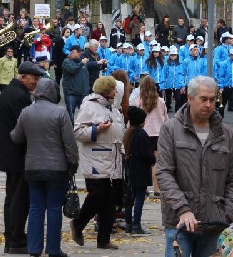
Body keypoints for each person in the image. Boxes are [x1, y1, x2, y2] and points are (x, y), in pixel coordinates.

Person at [156, 75, 233, 257]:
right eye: (203, 99)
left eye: (212, 100)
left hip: (214, 223)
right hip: (179, 222)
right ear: (190, 98)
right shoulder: (171, 129)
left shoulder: (226, 134)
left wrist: (227, 213)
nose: (208, 105)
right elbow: (164, 173)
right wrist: (183, 209)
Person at [10, 77, 78, 257]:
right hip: (57, 169)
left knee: (35, 208)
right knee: (54, 209)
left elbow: (16, 137)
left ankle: (34, 248)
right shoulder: (60, 112)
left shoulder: (26, 112)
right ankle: (53, 249)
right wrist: (73, 164)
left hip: (33, 167)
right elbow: (69, 143)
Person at [70, 75, 125, 251]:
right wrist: (96, 129)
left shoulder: (113, 108)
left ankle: (104, 239)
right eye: (114, 88)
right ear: (106, 90)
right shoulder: (89, 106)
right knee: (97, 195)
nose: (116, 91)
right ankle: (78, 223)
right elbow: (77, 132)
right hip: (95, 159)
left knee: (109, 201)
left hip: (113, 160)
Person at [0, 61, 44, 254]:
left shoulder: (12, 92)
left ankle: (12, 238)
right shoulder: (19, 96)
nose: (36, 82)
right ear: (23, 77)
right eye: (34, 78)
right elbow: (25, 126)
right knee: (19, 199)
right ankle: (15, 239)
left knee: (13, 198)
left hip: (11, 154)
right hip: (18, 155)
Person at [132, 75, 167, 195]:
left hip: (143, 134)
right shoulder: (161, 101)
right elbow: (165, 118)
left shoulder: (138, 101)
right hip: (158, 134)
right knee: (156, 163)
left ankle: (144, 187)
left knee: (143, 162)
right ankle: (157, 188)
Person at [123, 105, 156, 235]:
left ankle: (128, 223)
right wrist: (153, 159)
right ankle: (136, 224)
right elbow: (146, 154)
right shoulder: (142, 134)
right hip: (141, 170)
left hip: (130, 168)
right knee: (139, 198)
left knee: (130, 198)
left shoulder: (129, 133)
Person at [62, 45, 90, 123]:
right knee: (70, 114)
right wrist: (81, 63)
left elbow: (86, 76)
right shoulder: (66, 61)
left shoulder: (82, 62)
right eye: (77, 52)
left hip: (82, 93)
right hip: (71, 93)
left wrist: (87, 90)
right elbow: (72, 70)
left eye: (80, 52)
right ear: (72, 52)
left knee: (85, 114)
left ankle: (81, 129)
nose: (79, 54)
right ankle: (70, 130)